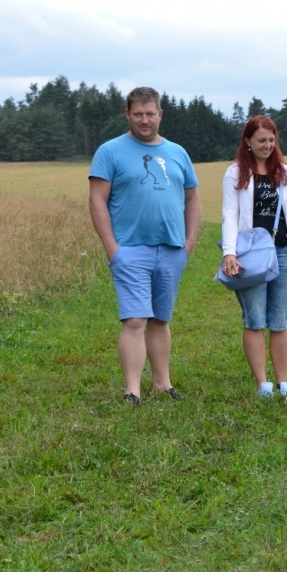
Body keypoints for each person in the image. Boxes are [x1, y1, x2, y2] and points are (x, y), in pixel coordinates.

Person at [88, 86, 201, 406]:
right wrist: (113, 248)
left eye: (150, 113)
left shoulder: (178, 153)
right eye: (137, 114)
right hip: (130, 249)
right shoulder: (110, 151)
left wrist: (188, 244)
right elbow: (97, 200)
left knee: (161, 320)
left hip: (171, 249)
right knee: (135, 319)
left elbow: (192, 199)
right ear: (128, 114)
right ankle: (132, 390)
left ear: (160, 114)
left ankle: (162, 384)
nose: (144, 120)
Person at [220, 115, 287, 398]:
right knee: (254, 319)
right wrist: (229, 252)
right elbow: (230, 214)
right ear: (248, 142)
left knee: (279, 321)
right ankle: (263, 384)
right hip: (250, 254)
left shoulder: (284, 173)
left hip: (284, 252)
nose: (267, 145)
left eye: (271, 140)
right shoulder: (235, 173)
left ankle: (283, 383)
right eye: (261, 140)